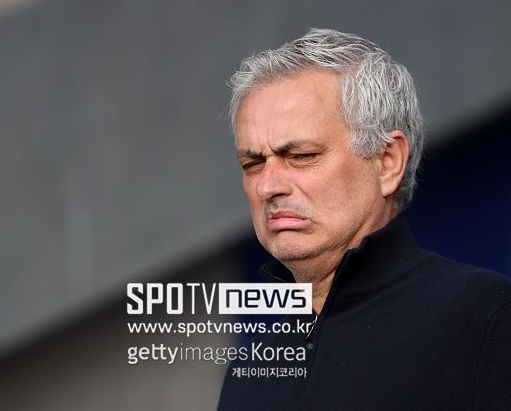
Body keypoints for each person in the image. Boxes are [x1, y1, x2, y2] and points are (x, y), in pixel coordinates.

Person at [218, 28, 511, 410]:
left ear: (387, 162)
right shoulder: (251, 368)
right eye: (252, 164)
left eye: (302, 156)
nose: (267, 186)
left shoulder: (487, 322)